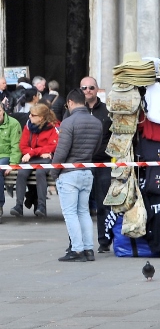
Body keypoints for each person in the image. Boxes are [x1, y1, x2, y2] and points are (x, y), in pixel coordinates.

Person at [52, 89, 103, 262]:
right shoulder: (96, 122)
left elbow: (61, 151)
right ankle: (89, 249)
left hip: (69, 173)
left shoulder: (68, 122)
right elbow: (96, 148)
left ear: (71, 102)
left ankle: (77, 249)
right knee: (84, 212)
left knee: (70, 213)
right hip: (87, 171)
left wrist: (54, 171)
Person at [70, 78, 113, 252]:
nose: (88, 90)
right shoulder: (72, 112)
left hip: (102, 162)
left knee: (104, 204)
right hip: (81, 163)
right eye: (84, 88)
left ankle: (104, 242)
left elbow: (113, 136)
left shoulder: (106, 111)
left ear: (97, 89)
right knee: (79, 205)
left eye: (91, 87)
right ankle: (77, 243)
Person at [11, 103, 59, 218]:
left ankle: (41, 206)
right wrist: (34, 152)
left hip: (44, 158)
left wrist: (32, 152)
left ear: (41, 118)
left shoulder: (53, 127)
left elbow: (52, 146)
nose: (29, 117)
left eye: (33, 115)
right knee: (21, 173)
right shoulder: (28, 126)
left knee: (40, 172)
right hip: (32, 157)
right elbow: (23, 145)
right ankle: (18, 206)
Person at [0, 101, 23, 223]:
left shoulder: (13, 124)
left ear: (3, 110)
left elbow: (16, 146)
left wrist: (13, 164)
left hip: (6, 156)